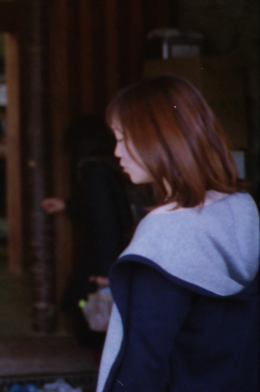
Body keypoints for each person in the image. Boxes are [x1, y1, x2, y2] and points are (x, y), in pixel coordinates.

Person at [97, 75, 258, 392]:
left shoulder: (163, 237)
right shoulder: (242, 209)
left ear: (158, 139)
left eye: (122, 138)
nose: (117, 152)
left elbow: (140, 367)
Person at [40, 115, 135, 350]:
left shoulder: (92, 166)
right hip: (124, 250)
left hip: (104, 257)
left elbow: (105, 221)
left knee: (87, 314)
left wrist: (106, 272)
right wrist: (67, 205)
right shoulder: (111, 162)